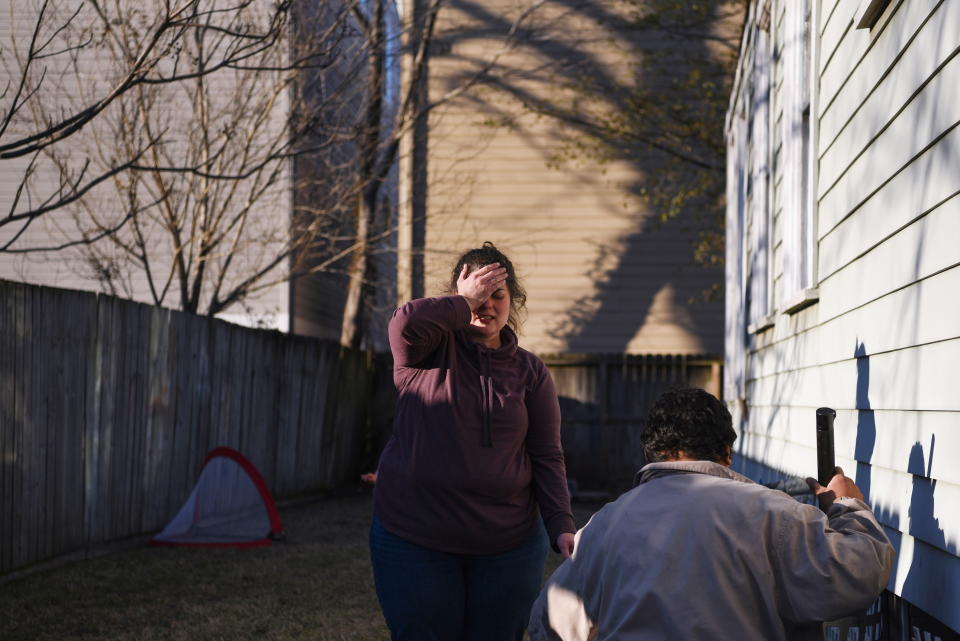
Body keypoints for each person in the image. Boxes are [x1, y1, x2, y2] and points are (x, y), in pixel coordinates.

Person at [528, 387, 894, 641]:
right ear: (727, 452)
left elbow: (548, 624)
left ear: (648, 453)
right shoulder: (775, 513)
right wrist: (848, 507)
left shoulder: (605, 525)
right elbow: (857, 576)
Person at [370, 241, 576, 641]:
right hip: (415, 539)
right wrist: (463, 301)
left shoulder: (531, 372)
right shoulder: (423, 354)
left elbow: (547, 454)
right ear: (457, 297)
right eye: (477, 295)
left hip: (508, 548)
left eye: (496, 295)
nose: (486, 305)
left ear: (511, 301)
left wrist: (561, 524)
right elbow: (403, 323)